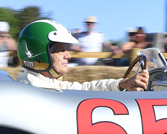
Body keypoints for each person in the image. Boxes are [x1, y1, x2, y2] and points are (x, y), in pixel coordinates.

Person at [16, 20, 147, 91]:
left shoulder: (44, 82)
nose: (68, 56)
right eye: (61, 50)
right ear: (40, 55)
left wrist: (122, 84)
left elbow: (83, 88)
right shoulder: (38, 89)